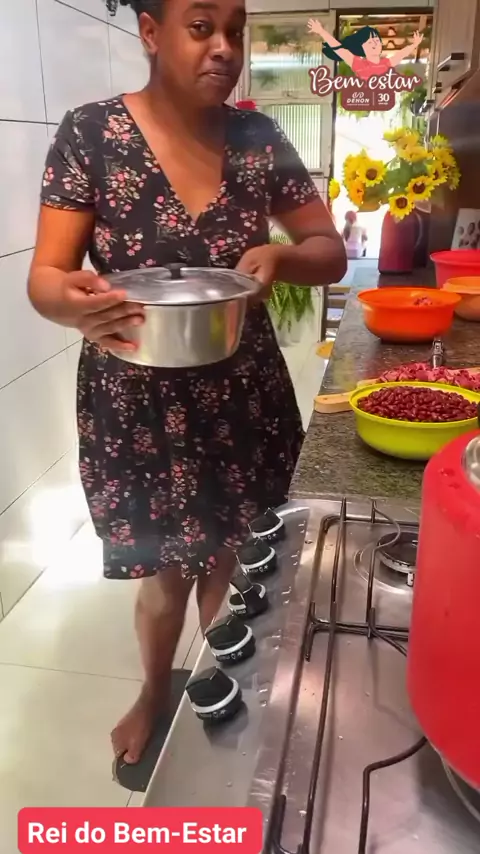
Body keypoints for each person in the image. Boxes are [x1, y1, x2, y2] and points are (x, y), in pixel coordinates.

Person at [28, 0, 346, 767]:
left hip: (241, 391)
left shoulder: (258, 138)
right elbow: (46, 277)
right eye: (201, 27)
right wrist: (74, 304)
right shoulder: (92, 133)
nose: (224, 47)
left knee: (236, 559)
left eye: (235, 30)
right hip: (135, 399)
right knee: (165, 570)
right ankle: (153, 690)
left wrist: (283, 257)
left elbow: (328, 250)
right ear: (151, 32)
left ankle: (228, 702)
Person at [307, 20, 423, 82]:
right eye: (369, 42)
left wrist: (414, 44)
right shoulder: (358, 64)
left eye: (376, 40)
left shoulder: (386, 63)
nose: (374, 44)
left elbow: (401, 55)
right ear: (362, 48)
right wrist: (321, 32)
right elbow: (339, 49)